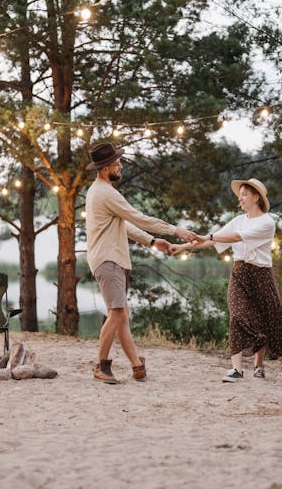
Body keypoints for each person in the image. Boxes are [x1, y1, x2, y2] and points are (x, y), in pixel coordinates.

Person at [85, 142, 199, 384]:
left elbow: (123, 224)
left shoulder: (100, 192)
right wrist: (174, 230)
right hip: (108, 259)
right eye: (117, 163)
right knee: (116, 313)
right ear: (105, 168)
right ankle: (101, 366)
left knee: (122, 315)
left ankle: (137, 366)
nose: (121, 166)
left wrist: (152, 241)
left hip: (113, 259)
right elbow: (139, 217)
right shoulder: (106, 193)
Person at [170, 178, 282, 382]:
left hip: (261, 275)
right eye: (240, 194)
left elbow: (234, 237)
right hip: (239, 272)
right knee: (237, 315)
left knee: (264, 317)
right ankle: (236, 369)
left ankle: (259, 364)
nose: (240, 197)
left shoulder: (266, 222)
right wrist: (182, 247)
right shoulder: (239, 219)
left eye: (245, 194)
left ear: (257, 197)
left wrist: (209, 237)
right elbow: (214, 238)